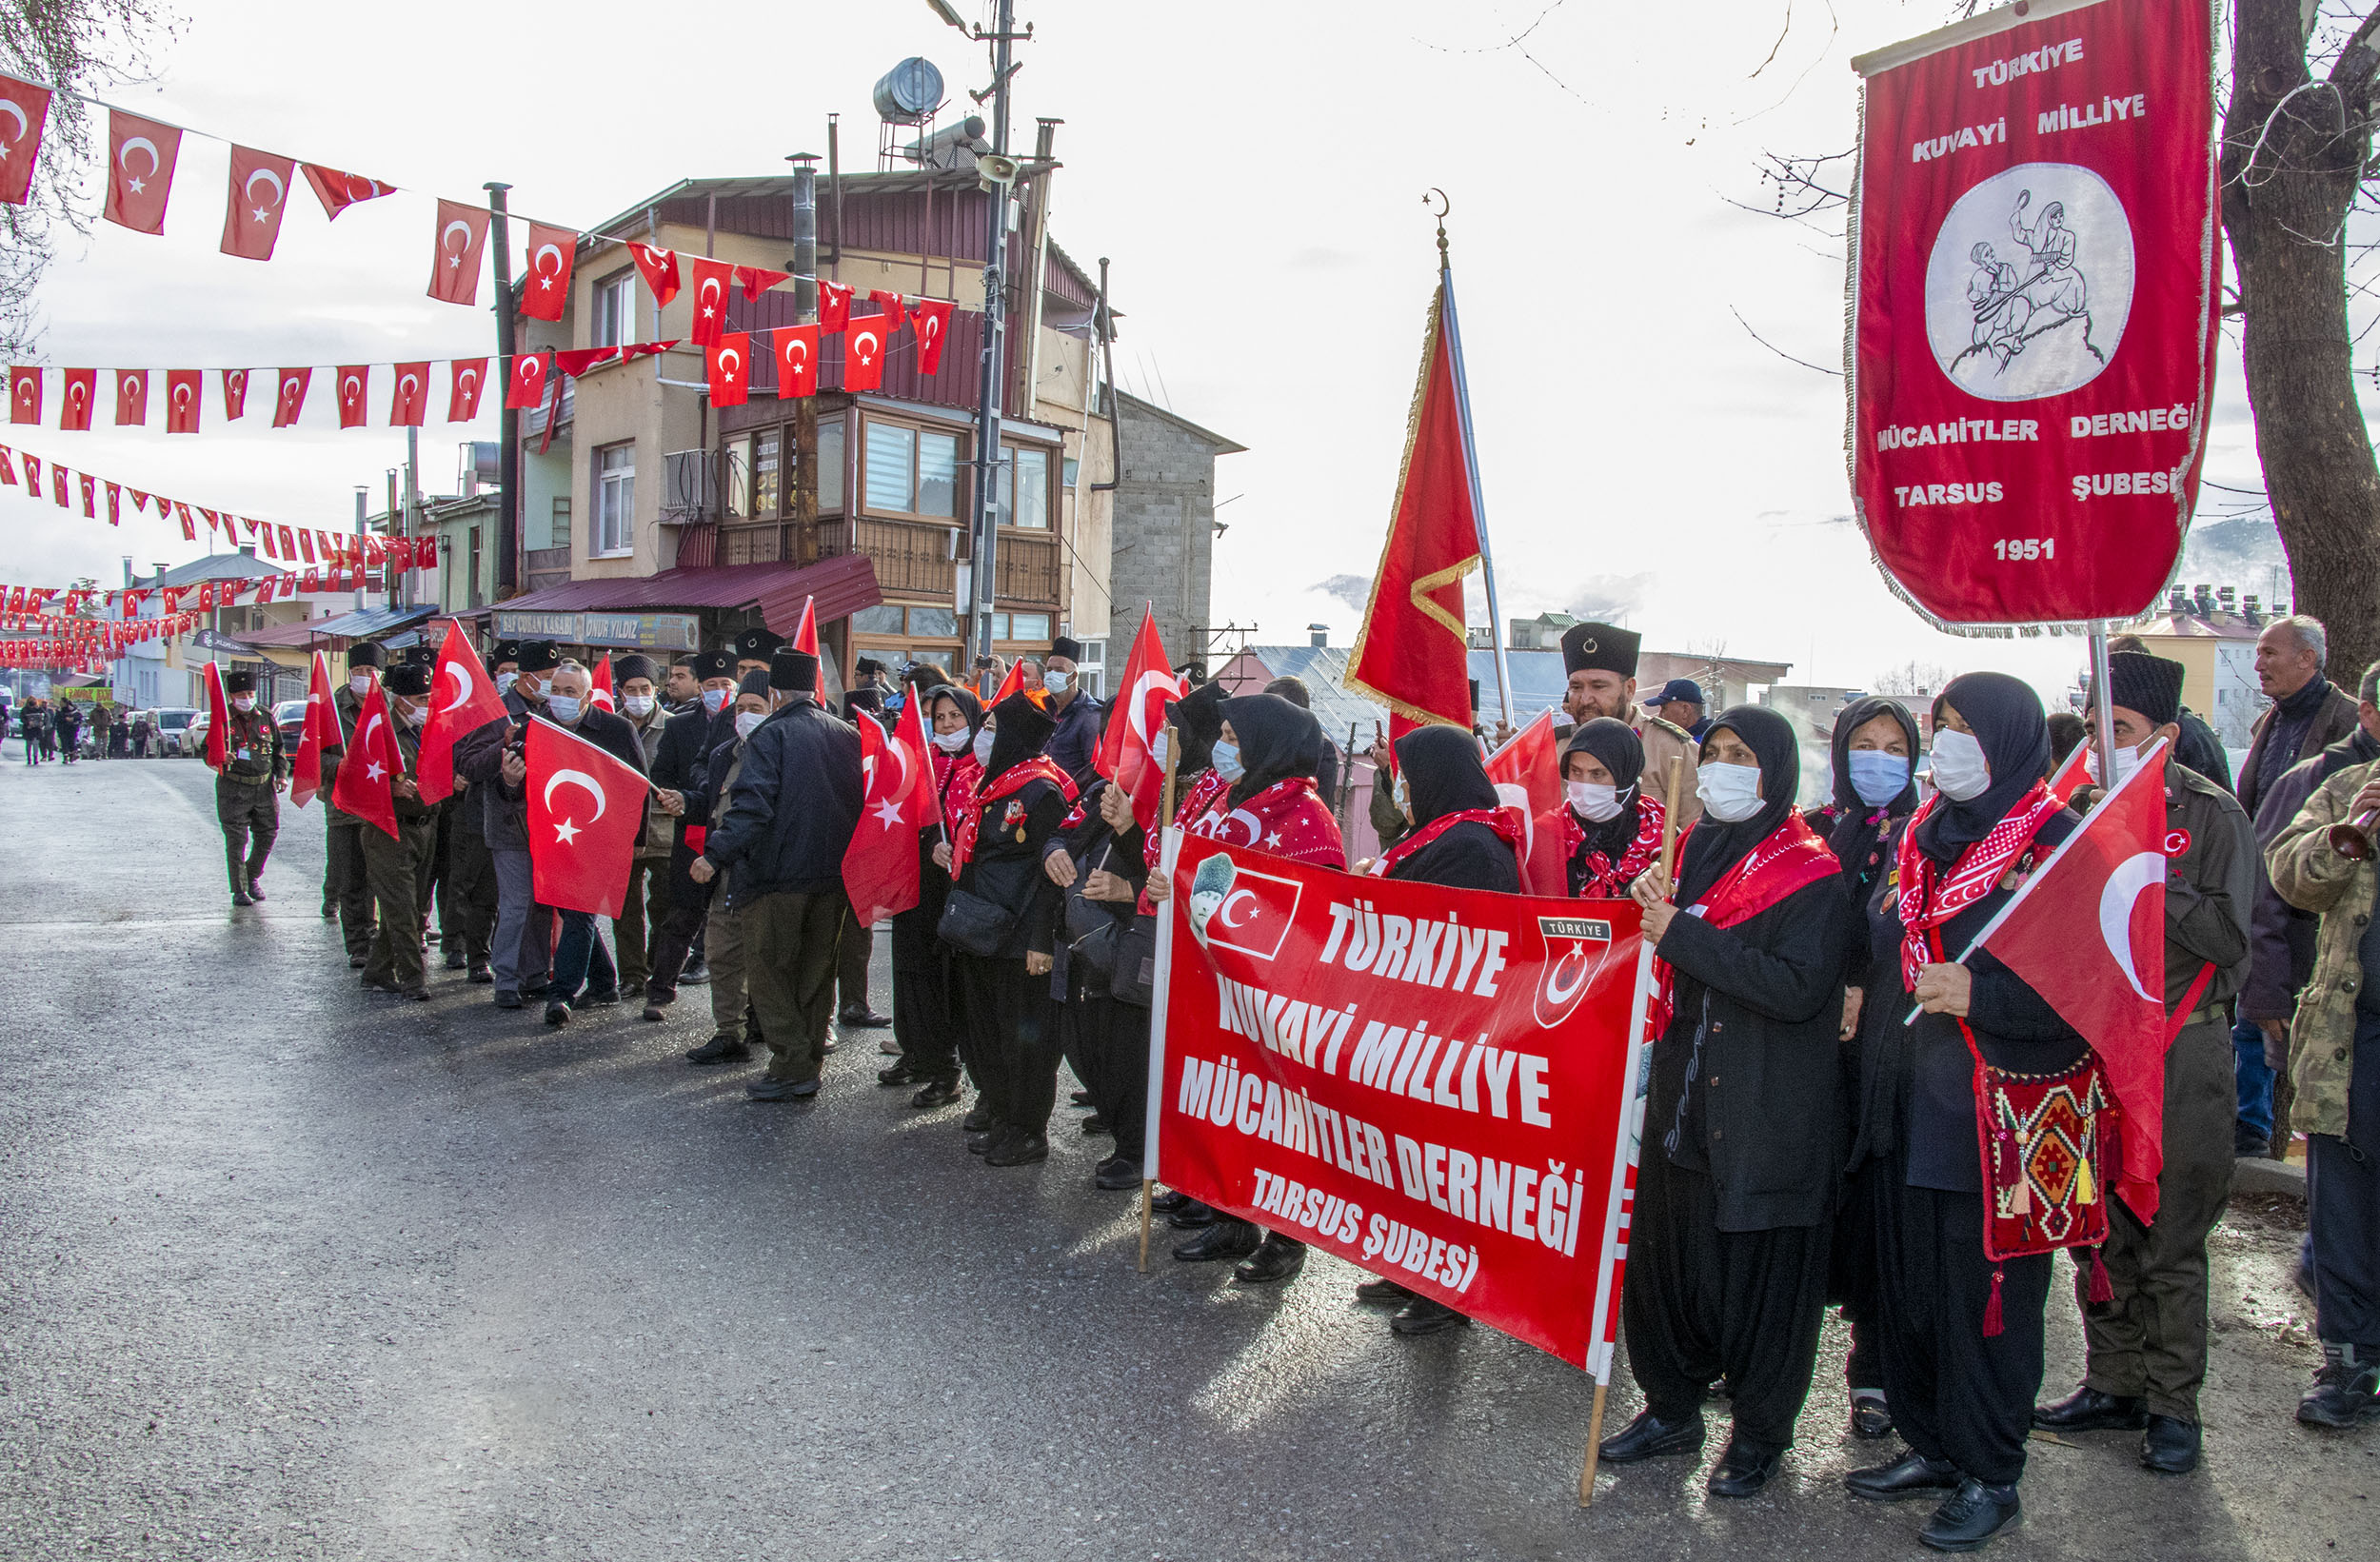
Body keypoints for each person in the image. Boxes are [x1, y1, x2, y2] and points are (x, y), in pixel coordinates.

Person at [1846, 673, 2082, 1552]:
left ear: (2012, 740)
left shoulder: (2056, 843)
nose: (1944, 744)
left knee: (1989, 1304)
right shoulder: (1923, 835)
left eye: (1965, 729)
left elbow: (2085, 988)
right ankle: (1935, 1444)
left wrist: (1983, 993)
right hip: (1908, 1102)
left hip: (1998, 1118)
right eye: (1938, 725)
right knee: (1914, 1294)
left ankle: (1992, 1471)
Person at [1597, 707, 1848, 1496]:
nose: (1725, 768)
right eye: (1716, 753)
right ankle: (1671, 1406)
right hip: (1684, 1102)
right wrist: (1656, 905)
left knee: (1762, 1283)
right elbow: (1678, 937)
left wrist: (1681, 934)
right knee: (1670, 1270)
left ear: (1775, 769)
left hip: (1766, 1111)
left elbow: (1799, 988)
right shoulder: (1697, 845)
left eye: (1743, 755)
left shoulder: (1815, 872)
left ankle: (1761, 1431)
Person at [2035, 652, 2255, 1476]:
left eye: (2118, 731)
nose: (2101, 743)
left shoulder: (2212, 814)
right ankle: (2114, 1380)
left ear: (2161, 735)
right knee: (2099, 1230)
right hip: (2094, 1039)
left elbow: (2234, 940)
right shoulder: (2077, 808)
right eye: (2094, 727)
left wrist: (2143, 867)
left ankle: (2173, 1405)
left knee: (2170, 1235)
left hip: (2179, 1046)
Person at [1146, 692, 1347, 1279]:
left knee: (1276, 1116)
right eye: (1225, 735)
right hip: (1210, 983)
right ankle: (1229, 1215)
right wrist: (1168, 885)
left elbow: (1314, 915)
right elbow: (1189, 863)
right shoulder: (1226, 797)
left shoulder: (1307, 818)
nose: (1223, 748)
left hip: (1271, 998)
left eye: (1235, 738)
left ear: (1269, 747)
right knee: (1222, 1102)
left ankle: (1286, 1240)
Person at [1805, 695, 1922, 1441]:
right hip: (1808, 1048)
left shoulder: (1928, 836)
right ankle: (1764, 1349)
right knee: (1807, 1209)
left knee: (1879, 1216)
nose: (1878, 757)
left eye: (1894, 745)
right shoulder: (1813, 832)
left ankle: (1872, 1372)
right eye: (1865, 743)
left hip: (1887, 1053)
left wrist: (1864, 987)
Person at [2265, 728, 2380, 1431]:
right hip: (2351, 1037)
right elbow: (2289, 876)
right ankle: (2348, 1359)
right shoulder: (2347, 787)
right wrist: (2346, 835)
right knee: (2342, 1208)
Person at [691, 647, 863, 1100]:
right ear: (814, 690)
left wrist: (715, 854)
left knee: (769, 971)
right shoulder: (848, 735)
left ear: (774, 693)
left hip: (775, 876)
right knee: (816, 973)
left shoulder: (771, 735)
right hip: (832, 876)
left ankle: (790, 1065)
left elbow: (753, 806)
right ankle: (807, 1064)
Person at [2238, 662, 2380, 1157]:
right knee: (2342, 1202)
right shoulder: (2337, 786)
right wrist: (2267, 994)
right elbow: (2278, 886)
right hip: (2351, 1032)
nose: (2259, 664)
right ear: (2370, 714)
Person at [946, 688, 1078, 1161]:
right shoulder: (992, 785)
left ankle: (1029, 1129)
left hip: (1022, 938)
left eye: (993, 729)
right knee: (990, 1034)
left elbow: (1052, 877)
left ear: (1017, 736)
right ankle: (1004, 1116)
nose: (983, 738)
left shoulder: (1041, 790)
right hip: (983, 932)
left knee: (1026, 1040)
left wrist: (1042, 939)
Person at [882, 681, 982, 1106]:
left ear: (972, 719)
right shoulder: (926, 761)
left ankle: (947, 1068)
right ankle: (917, 1053)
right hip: (917, 883)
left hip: (955, 892)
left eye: (955, 716)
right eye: (939, 718)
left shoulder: (981, 766)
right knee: (911, 974)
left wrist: (953, 846)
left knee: (945, 984)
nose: (945, 725)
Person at [537, 660, 645, 1025]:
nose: (562, 699)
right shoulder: (539, 725)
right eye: (556, 691)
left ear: (587, 697)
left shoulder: (617, 729)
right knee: (570, 911)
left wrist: (637, 841)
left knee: (579, 909)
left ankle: (561, 993)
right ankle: (603, 981)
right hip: (556, 835)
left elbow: (637, 786)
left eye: (571, 692)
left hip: (601, 836)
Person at [455, 639, 561, 1009]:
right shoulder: (497, 711)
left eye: (556, 677)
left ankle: (534, 974)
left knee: (542, 905)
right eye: (546, 677)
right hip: (508, 823)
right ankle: (506, 979)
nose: (552, 684)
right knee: (516, 905)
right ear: (525, 676)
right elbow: (467, 764)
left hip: (550, 825)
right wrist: (502, 747)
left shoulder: (555, 709)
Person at [642, 648, 739, 1025]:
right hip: (694, 828)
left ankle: (738, 1009)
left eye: (725, 684)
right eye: (711, 685)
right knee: (682, 913)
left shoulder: (752, 721)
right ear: (700, 686)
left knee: (733, 919)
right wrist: (677, 795)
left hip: (734, 833)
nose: (719, 691)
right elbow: (663, 773)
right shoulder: (680, 725)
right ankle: (660, 989)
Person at [1559, 622, 1700, 826]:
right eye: (1576, 687)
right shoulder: (1555, 747)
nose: (1585, 699)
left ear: (1629, 689)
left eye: (1599, 686)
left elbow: (1694, 834)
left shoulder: (1672, 748)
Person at [354, 662, 437, 1000]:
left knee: (407, 906)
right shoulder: (378, 730)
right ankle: (412, 979)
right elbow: (354, 779)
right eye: (421, 697)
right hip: (389, 831)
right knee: (402, 911)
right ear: (400, 700)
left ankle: (376, 972)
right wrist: (389, 788)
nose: (427, 704)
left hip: (425, 826)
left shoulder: (427, 728)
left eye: (430, 696)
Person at [611, 655, 677, 998]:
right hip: (622, 835)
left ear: (656, 690)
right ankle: (632, 974)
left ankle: (659, 968)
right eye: (631, 690)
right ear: (620, 692)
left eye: (645, 689)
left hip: (664, 833)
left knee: (664, 908)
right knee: (626, 911)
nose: (638, 696)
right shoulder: (610, 728)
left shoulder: (673, 726)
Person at [320, 643, 386, 968]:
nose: (364, 678)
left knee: (383, 877)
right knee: (352, 879)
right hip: (344, 808)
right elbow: (312, 758)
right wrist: (341, 765)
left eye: (370, 672)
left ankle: (384, 938)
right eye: (358, 672)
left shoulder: (390, 706)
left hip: (383, 806)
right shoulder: (331, 709)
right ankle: (358, 943)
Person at [1559, 718, 1663, 899]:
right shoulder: (1549, 834)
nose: (1584, 785)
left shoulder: (1664, 839)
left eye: (1597, 774)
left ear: (1625, 776)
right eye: (1576, 771)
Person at [211, 669, 288, 906]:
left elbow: (278, 749)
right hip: (233, 788)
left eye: (250, 693)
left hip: (264, 788)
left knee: (268, 834)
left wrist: (282, 775)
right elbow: (207, 751)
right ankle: (239, 890)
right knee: (237, 840)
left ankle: (252, 875)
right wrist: (220, 757)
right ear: (232, 696)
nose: (247, 698)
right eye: (241, 694)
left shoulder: (265, 716)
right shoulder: (222, 718)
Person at [1041, 636, 1108, 782]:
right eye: (1049, 669)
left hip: (1072, 799)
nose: (1052, 674)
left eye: (1059, 670)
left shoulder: (1090, 716)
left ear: (1073, 676)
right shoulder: (1045, 711)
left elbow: (1093, 770)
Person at [1648, 678, 1713, 741]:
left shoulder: (1699, 746)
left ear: (1685, 710)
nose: (1660, 716)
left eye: (1664, 709)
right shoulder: (1702, 739)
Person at [53, 698, 79, 765]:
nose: (60, 703)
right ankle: (65, 757)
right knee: (64, 743)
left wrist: (72, 719)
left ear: (65, 703)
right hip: (62, 729)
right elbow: (56, 719)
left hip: (72, 729)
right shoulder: (59, 711)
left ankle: (72, 755)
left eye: (61, 702)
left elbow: (79, 717)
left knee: (71, 742)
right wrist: (65, 719)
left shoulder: (73, 709)